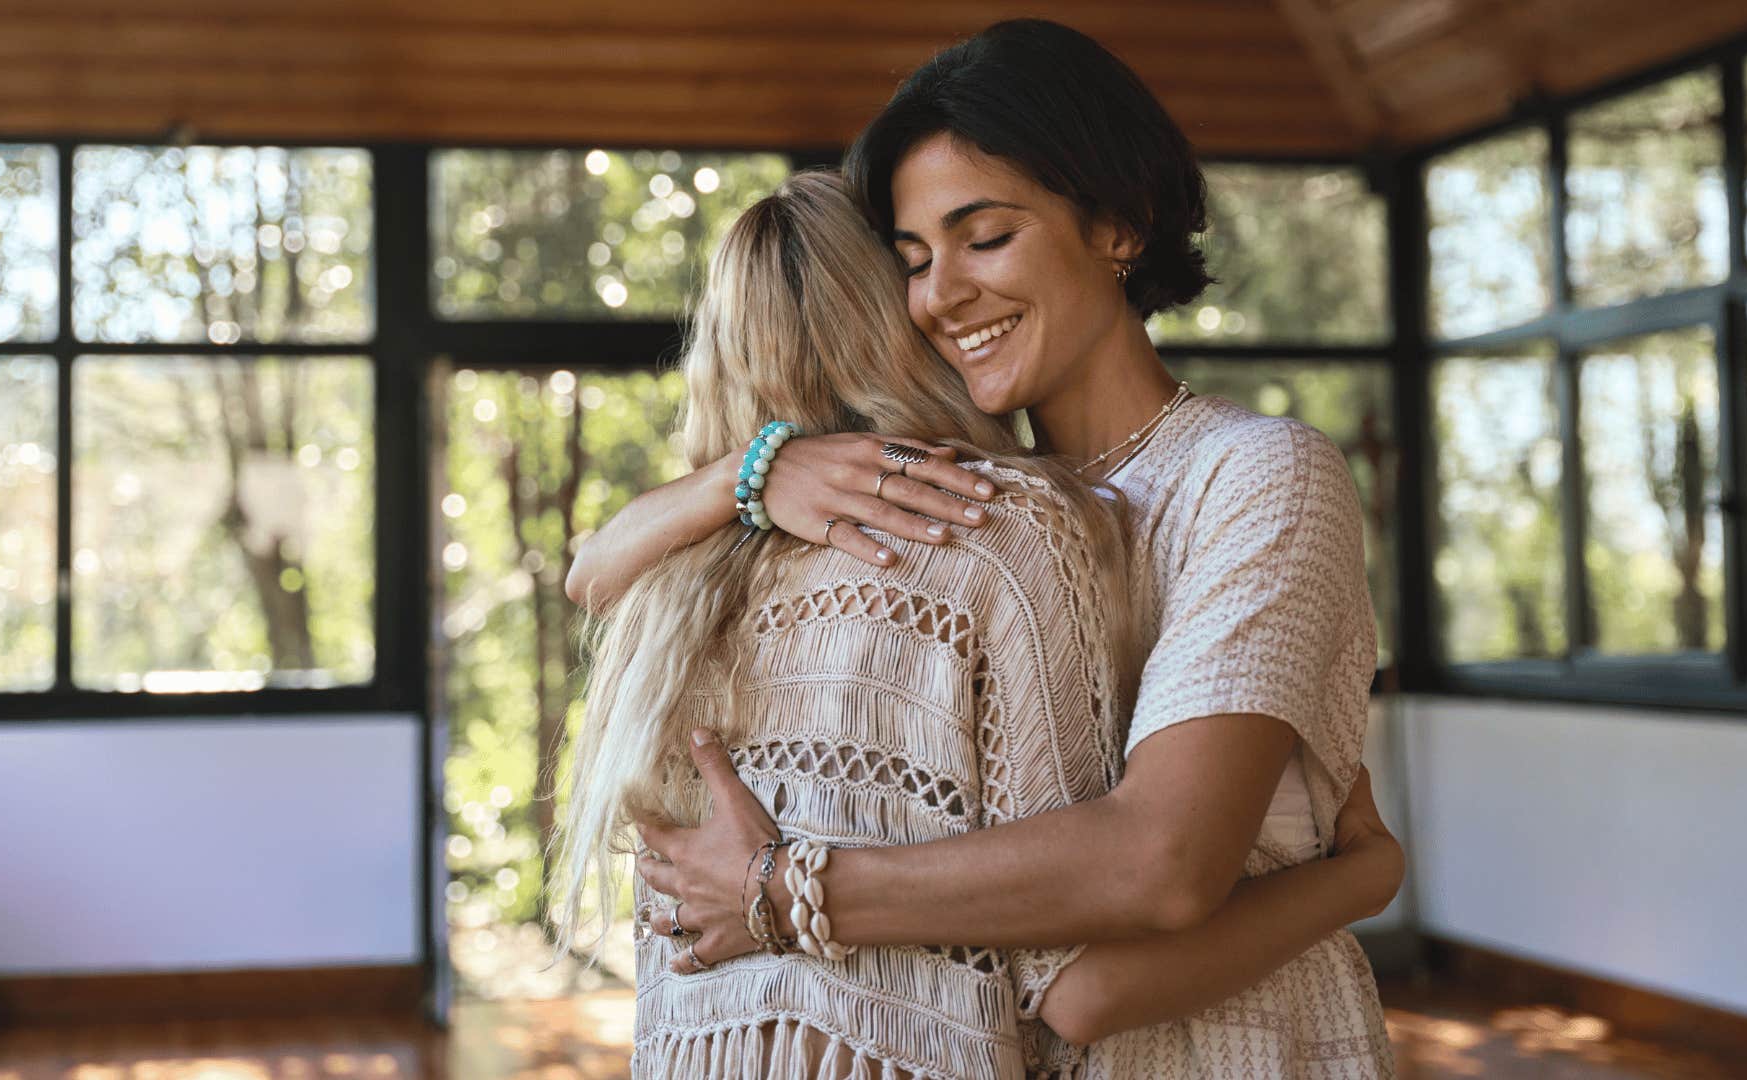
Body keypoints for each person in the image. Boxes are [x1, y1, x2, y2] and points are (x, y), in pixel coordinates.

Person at [570, 19, 1398, 1076]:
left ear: (1120, 226)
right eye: (913, 261)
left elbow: (1165, 861)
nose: (941, 295)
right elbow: (594, 572)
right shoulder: (954, 516)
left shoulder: (1252, 477)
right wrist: (756, 471)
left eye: (986, 237)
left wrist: (784, 888)